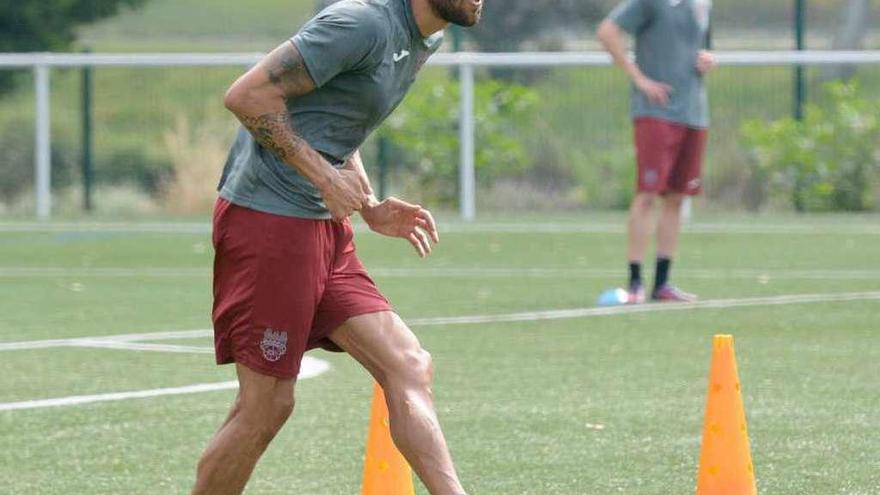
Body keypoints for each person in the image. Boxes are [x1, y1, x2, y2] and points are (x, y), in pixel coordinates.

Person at [191, 1, 483, 494]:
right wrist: (325, 176)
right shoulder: (361, 24)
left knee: (407, 363)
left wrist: (366, 202)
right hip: (269, 222)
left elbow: (335, 118)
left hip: (324, 228)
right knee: (265, 407)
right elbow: (246, 96)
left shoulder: (425, 38)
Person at [597, 0, 715, 303]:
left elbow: (702, 46)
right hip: (657, 112)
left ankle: (662, 283)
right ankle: (635, 282)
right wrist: (640, 80)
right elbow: (608, 32)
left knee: (676, 198)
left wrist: (707, 59)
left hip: (694, 111)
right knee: (648, 195)